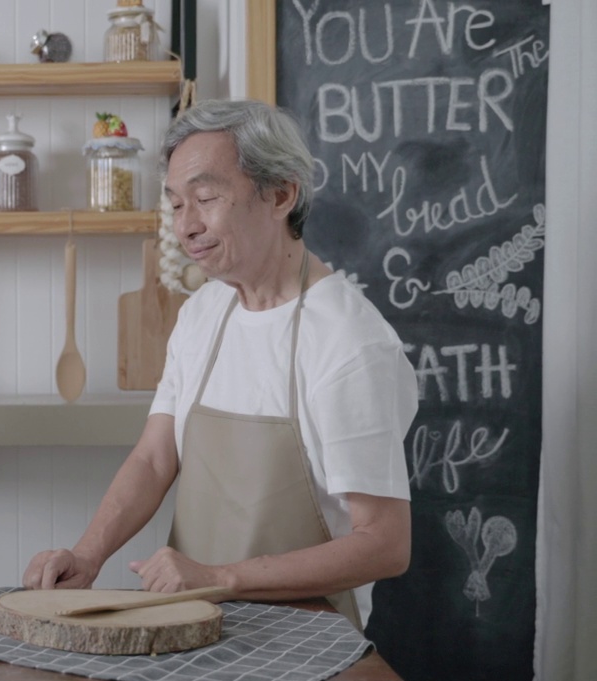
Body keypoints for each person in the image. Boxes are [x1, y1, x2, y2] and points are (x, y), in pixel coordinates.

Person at [22, 99, 418, 629]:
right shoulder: (204, 313)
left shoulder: (349, 342)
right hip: (190, 627)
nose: (187, 226)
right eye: (176, 204)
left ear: (281, 194)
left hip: (307, 642)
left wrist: (220, 577)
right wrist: (89, 554)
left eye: (205, 198)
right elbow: (154, 460)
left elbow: (385, 544)